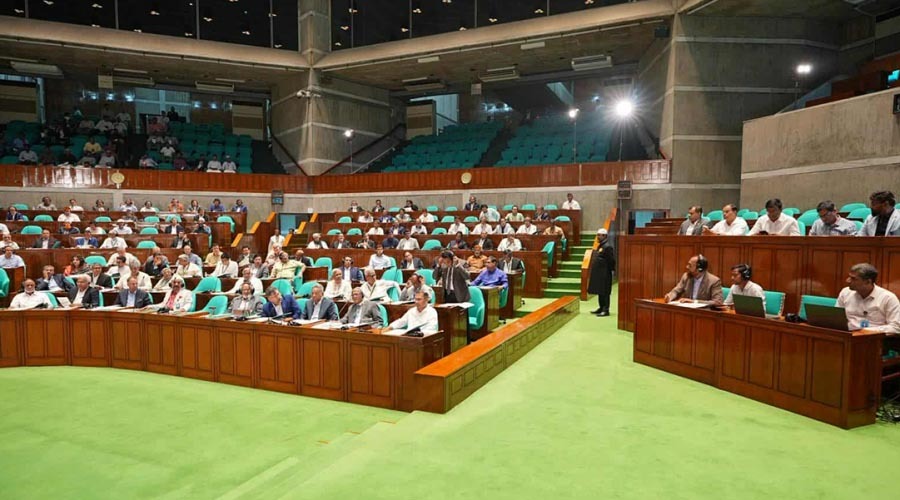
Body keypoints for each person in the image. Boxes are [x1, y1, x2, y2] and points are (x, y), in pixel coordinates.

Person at [836, 263, 900, 333]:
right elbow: (836, 319)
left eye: (853, 278)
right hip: (847, 336)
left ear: (868, 281)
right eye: (849, 277)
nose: (848, 280)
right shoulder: (845, 293)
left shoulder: (888, 298)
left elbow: (896, 327)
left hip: (874, 338)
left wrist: (865, 331)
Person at [587, 229, 616, 316]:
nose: (598, 237)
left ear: (604, 236)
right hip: (600, 273)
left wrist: (610, 271)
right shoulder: (600, 246)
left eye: (600, 235)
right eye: (597, 235)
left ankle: (605, 309)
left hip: (605, 273)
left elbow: (611, 261)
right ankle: (601, 307)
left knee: (605, 292)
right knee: (600, 291)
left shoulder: (607, 247)